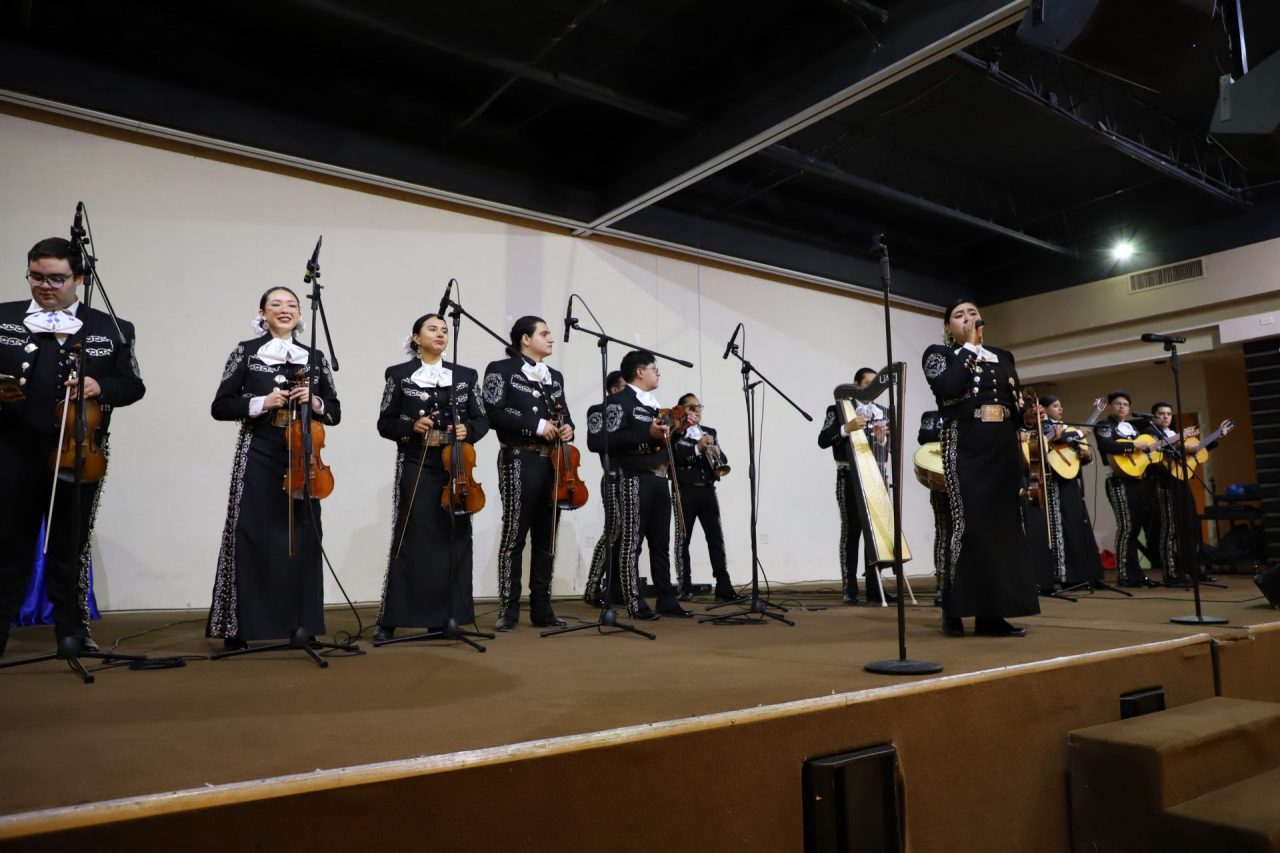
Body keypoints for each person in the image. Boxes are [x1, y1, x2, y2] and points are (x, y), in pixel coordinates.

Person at [0, 237, 145, 656]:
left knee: (69, 546)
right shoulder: (4, 318)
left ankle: (72, 631)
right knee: (9, 545)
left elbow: (133, 385)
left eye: (56, 279)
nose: (45, 286)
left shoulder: (112, 327)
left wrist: (101, 386)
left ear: (79, 278)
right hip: (13, 450)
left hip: (78, 452)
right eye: (37, 277)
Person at [206, 287, 340, 649]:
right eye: (276, 304)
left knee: (304, 536)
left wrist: (315, 401)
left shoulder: (314, 356)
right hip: (260, 448)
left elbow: (335, 411)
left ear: (300, 314)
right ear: (262, 313)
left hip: (304, 455)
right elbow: (221, 406)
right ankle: (241, 627)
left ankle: (303, 625)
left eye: (292, 304)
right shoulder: (247, 352)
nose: (285, 309)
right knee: (252, 532)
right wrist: (262, 402)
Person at [922, 299, 1038, 636]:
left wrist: (1027, 418)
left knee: (1003, 529)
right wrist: (970, 347)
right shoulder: (939, 355)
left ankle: (992, 615)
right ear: (948, 327)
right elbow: (947, 387)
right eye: (959, 315)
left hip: (1003, 445)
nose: (968, 318)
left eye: (972, 313)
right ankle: (953, 609)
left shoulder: (1003, 356)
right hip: (966, 443)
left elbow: (1013, 403)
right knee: (967, 525)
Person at [373, 313, 489, 642]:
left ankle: (447, 618)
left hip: (457, 465)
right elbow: (385, 423)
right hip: (417, 461)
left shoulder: (466, 375)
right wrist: (411, 427)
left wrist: (469, 430)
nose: (440, 334)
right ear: (416, 338)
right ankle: (393, 618)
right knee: (410, 537)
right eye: (432, 329)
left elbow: (482, 419)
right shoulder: (399, 375)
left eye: (444, 330)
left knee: (455, 536)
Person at [482, 316, 574, 631]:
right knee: (515, 534)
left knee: (547, 537)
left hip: (554, 462)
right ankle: (508, 609)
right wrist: (535, 424)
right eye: (544, 333)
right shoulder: (501, 369)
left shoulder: (554, 376)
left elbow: (565, 414)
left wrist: (567, 428)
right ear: (525, 339)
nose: (551, 338)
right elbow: (492, 412)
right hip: (519, 457)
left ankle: (542, 608)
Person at [599, 349, 690, 619]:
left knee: (661, 543)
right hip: (634, 477)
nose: (658, 373)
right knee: (631, 543)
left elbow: (660, 441)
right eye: (654, 368)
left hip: (660, 477)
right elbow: (608, 439)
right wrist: (647, 432)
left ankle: (666, 599)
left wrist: (677, 430)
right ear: (640, 371)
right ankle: (633, 601)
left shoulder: (653, 404)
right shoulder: (619, 401)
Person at [817, 367, 892, 605]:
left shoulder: (882, 412)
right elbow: (823, 440)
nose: (872, 389)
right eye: (868, 384)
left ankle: (874, 588)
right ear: (856, 385)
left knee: (875, 533)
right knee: (851, 532)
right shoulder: (838, 409)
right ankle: (849, 588)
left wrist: (881, 439)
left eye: (875, 385)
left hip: (875, 478)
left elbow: (888, 448)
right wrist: (846, 428)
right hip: (848, 476)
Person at [1027, 395, 1103, 590]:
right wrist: (1078, 433)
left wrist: (1085, 454)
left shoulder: (1065, 427)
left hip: (1070, 481)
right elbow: (1055, 438)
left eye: (1061, 405)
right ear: (1043, 409)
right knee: (1062, 527)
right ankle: (1065, 575)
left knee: (1078, 525)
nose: (1060, 409)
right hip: (1054, 482)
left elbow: (1076, 452)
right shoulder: (1042, 426)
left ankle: (1084, 574)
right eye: (1055, 406)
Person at [670, 393, 735, 602]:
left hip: (707, 490)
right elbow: (677, 457)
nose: (697, 410)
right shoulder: (675, 432)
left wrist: (716, 451)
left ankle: (724, 585)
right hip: (684, 490)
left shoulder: (709, 432)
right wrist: (698, 448)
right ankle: (684, 586)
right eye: (692, 407)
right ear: (682, 410)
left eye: (699, 406)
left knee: (716, 538)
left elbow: (723, 460)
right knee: (683, 540)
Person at [1092, 391, 1156, 587]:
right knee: (1126, 527)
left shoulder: (1133, 428)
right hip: (1117, 481)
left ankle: (1136, 573)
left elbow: (1142, 452)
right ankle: (1123, 573)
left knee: (1135, 528)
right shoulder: (1104, 425)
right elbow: (1107, 445)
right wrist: (1135, 445)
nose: (1121, 407)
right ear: (1110, 406)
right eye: (1117, 403)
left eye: (1125, 404)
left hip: (1137, 479)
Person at [583, 370, 627, 607]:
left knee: (628, 536)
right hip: (612, 479)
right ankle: (592, 587)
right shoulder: (597, 410)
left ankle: (619, 588)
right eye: (625, 387)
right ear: (614, 389)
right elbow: (595, 442)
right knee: (613, 530)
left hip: (634, 480)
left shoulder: (634, 410)